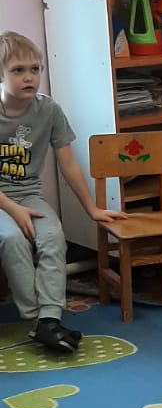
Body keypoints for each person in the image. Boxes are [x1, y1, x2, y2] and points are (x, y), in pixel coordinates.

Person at [0, 30, 124, 352]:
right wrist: (13, 210)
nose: (29, 77)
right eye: (18, 70)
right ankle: (36, 319)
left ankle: (50, 319)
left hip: (28, 194)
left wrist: (92, 209)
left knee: (53, 236)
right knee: (12, 239)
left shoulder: (49, 111)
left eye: (35, 69)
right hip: (2, 200)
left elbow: (68, 164)